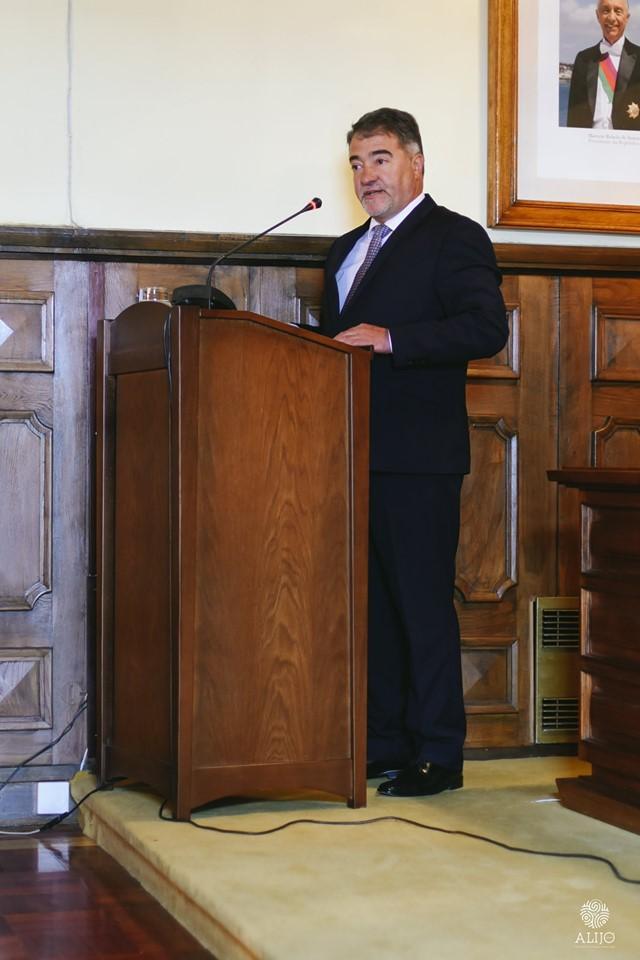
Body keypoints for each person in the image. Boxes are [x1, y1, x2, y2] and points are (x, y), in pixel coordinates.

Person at [322, 108, 508, 798]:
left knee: (422, 606)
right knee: (373, 608)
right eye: (356, 164)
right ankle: (384, 743)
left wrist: (393, 339)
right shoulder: (344, 250)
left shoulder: (453, 236)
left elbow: (485, 328)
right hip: (352, 453)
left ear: (416, 161)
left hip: (419, 457)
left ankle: (438, 752)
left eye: (379, 158)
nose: (366, 176)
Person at [567, 1, 640, 130]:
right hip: (588, 141)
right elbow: (573, 118)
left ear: (627, 17)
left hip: (627, 142)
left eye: (618, 11)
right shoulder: (583, 59)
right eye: (606, 11)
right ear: (598, 15)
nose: (611, 18)